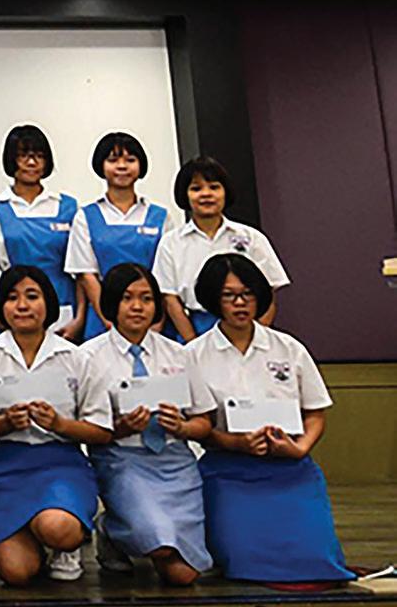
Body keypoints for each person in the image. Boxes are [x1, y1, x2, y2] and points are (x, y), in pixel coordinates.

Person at [188, 254, 353, 583]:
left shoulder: (289, 348)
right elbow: (201, 428)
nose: (240, 303)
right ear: (213, 299)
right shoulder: (193, 355)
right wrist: (237, 443)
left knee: (316, 556)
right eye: (229, 295)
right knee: (241, 557)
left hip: (290, 467)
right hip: (227, 469)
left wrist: (300, 448)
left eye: (247, 294)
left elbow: (315, 413)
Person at [0, 265, 113, 586]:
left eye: (32, 296)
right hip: (6, 465)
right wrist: (4, 423)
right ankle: (33, 536)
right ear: (0, 306)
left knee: (59, 529)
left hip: (60, 462)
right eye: (12, 298)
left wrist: (60, 424)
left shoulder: (75, 357)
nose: (22, 306)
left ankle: (64, 545)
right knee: (16, 573)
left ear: (49, 304)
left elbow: (101, 430)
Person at [81, 263, 212, 586]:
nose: (138, 307)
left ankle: (122, 530)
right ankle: (112, 529)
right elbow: (82, 430)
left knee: (183, 575)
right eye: (127, 298)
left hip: (175, 461)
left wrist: (182, 428)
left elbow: (204, 422)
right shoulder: (88, 357)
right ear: (112, 302)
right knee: (158, 543)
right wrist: (122, 427)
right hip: (121, 459)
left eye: (147, 298)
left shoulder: (179, 354)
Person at [154, 157, 289, 342]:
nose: (206, 194)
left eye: (214, 187)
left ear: (226, 192)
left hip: (248, 328)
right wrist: (194, 344)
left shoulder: (251, 237)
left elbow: (269, 292)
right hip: (196, 330)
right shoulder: (171, 243)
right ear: (184, 195)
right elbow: (170, 299)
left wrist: (256, 337)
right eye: (196, 189)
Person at [0, 124, 85, 341]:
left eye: (39, 156)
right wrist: (2, 316)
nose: (32, 163)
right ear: (11, 159)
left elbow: (82, 271)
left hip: (63, 308)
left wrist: (79, 319)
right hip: (16, 307)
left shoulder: (69, 207)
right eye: (23, 156)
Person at [67, 133, 179, 342]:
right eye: (113, 160)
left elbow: (167, 274)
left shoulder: (161, 216)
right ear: (101, 166)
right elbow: (86, 275)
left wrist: (156, 320)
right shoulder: (85, 216)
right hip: (103, 322)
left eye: (130, 160)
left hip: (153, 320)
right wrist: (110, 320)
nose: (122, 166)